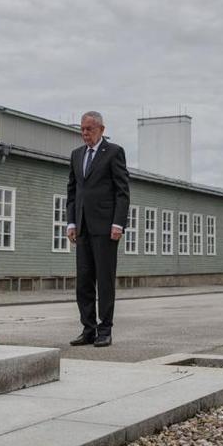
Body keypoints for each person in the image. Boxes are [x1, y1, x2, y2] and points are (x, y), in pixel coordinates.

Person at [66, 111, 130, 347]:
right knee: (83, 281)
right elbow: (72, 191)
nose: (85, 133)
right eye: (82, 129)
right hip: (82, 228)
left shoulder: (113, 152)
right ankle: (88, 329)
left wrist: (118, 223)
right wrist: (71, 222)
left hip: (105, 228)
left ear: (101, 129)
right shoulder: (76, 155)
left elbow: (122, 191)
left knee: (104, 280)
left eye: (89, 129)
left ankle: (105, 329)